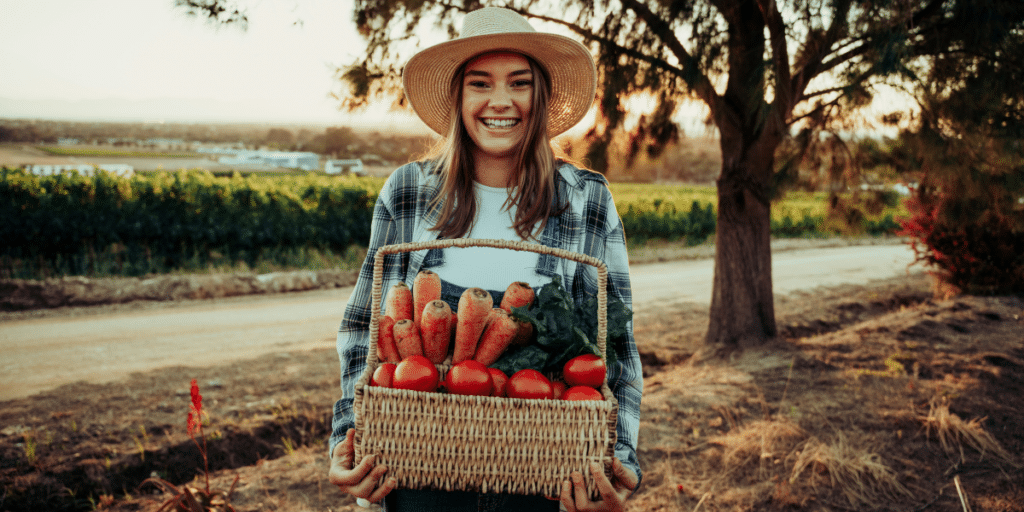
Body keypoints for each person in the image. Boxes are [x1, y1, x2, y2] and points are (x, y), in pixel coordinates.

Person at [327, 7, 643, 511]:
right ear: (459, 97)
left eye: (519, 83)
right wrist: (349, 437)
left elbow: (616, 349)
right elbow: (363, 329)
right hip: (417, 471)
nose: (500, 101)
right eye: (480, 83)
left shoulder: (586, 198)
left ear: (540, 97)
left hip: (543, 475)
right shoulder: (409, 191)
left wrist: (618, 459)